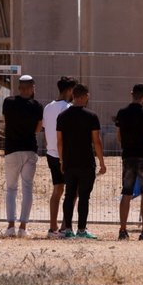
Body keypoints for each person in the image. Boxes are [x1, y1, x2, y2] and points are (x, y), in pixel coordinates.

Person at [56, 83, 106, 239]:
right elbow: (96, 141)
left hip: (69, 161)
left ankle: (68, 229)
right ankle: (82, 230)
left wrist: (62, 160)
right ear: (84, 96)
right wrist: (102, 162)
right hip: (86, 162)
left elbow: (59, 141)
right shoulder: (91, 116)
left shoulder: (62, 116)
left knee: (69, 195)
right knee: (84, 196)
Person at [115, 83, 143, 241]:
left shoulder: (122, 113)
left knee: (126, 193)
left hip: (128, 156)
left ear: (131, 94)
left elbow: (119, 137)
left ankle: (122, 230)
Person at [1, 74, 44, 237]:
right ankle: (23, 228)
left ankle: (10, 226)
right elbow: (38, 129)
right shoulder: (37, 106)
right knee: (27, 188)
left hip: (12, 149)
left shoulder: (8, 102)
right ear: (32, 88)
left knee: (11, 189)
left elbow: (6, 121)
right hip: (29, 149)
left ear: (19, 88)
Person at [42, 75, 76, 239]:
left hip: (51, 153)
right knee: (72, 191)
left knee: (57, 190)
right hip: (66, 155)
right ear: (70, 90)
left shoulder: (48, 107)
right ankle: (65, 226)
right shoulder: (68, 108)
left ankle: (52, 226)